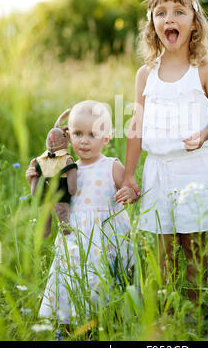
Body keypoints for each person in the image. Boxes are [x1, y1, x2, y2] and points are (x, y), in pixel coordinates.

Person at [115, 0, 208, 302]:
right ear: (152, 23)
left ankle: (193, 314)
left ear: (194, 22)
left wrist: (204, 133)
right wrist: (129, 175)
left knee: (194, 251)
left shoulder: (204, 70)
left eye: (179, 12)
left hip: (195, 170)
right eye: (161, 12)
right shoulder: (146, 74)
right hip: (158, 171)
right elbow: (136, 127)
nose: (170, 18)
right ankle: (166, 316)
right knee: (161, 250)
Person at [26, 100, 136, 325]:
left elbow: (133, 189)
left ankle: (109, 321)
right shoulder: (64, 171)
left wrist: (129, 193)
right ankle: (69, 322)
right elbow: (48, 199)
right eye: (78, 133)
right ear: (67, 135)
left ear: (106, 137)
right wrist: (34, 180)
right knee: (72, 278)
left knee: (107, 279)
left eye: (93, 134)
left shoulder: (111, 166)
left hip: (106, 239)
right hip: (76, 239)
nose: (84, 140)